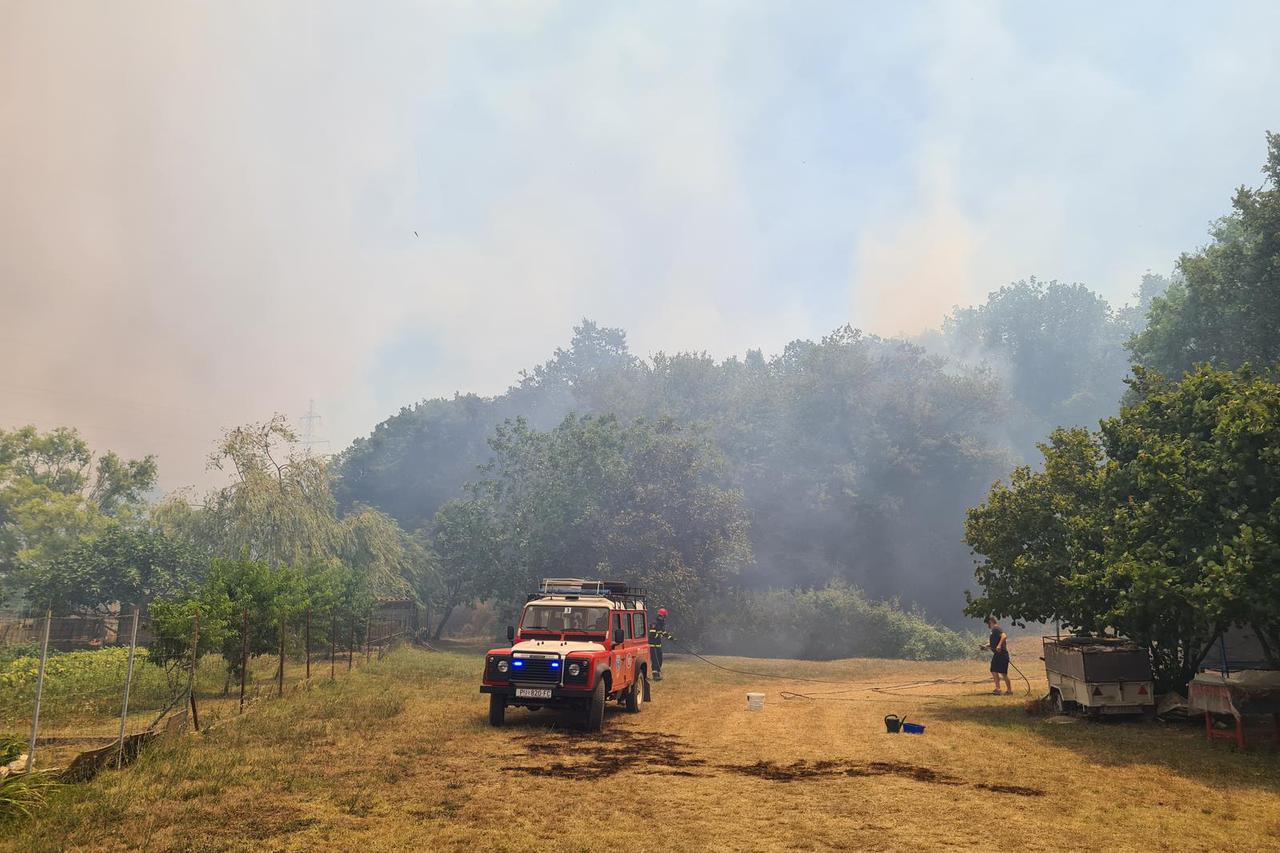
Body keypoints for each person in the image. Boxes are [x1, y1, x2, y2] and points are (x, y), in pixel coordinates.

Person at [983, 616, 1012, 695]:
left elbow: (1004, 636)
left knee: (1003, 673)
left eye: (987, 623)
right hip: (997, 654)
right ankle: (998, 689)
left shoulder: (996, 629)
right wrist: (985, 646)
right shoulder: (993, 631)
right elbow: (993, 643)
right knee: (994, 670)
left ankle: (1009, 690)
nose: (987, 625)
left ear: (991, 621)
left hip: (1002, 654)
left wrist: (999, 646)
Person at [649, 607, 673, 681]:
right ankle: (655, 676)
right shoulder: (654, 623)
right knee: (655, 660)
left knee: (659, 660)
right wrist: (658, 634)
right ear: (661, 616)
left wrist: (670, 638)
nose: (664, 618)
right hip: (653, 645)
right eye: (664, 616)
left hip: (658, 645)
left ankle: (658, 674)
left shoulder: (661, 624)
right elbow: (652, 634)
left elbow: (663, 632)